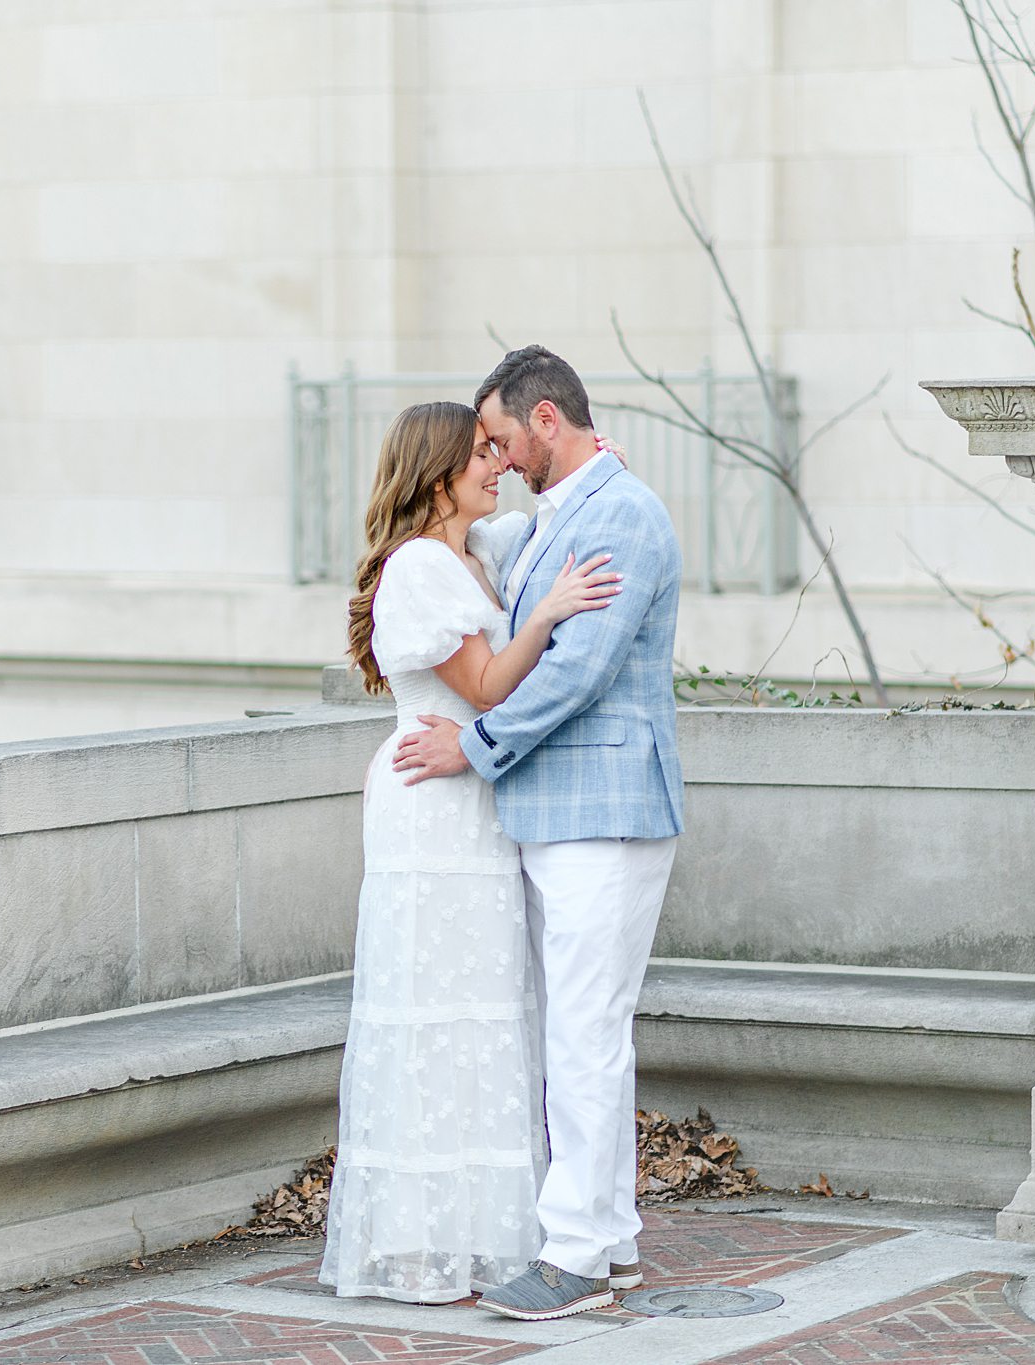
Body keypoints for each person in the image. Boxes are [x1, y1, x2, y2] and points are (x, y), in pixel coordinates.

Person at [395, 346, 685, 1322]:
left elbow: (574, 677)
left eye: (504, 436)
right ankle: (607, 1245)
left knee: (584, 1038)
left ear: (547, 421)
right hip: (559, 819)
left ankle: (573, 1257)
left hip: (604, 814)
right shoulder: (559, 518)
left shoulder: (626, 518)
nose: (498, 455)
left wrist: (471, 746)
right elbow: (477, 553)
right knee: (581, 1036)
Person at [317, 399, 624, 1304]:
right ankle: (422, 1247)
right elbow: (487, 681)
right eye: (481, 454)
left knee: (485, 1009)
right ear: (439, 471)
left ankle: (481, 1236)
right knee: (434, 1008)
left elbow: (546, 512)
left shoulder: (476, 553)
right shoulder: (418, 569)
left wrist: (586, 451)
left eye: (500, 449)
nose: (497, 465)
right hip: (430, 800)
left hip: (476, 797)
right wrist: (553, 614)